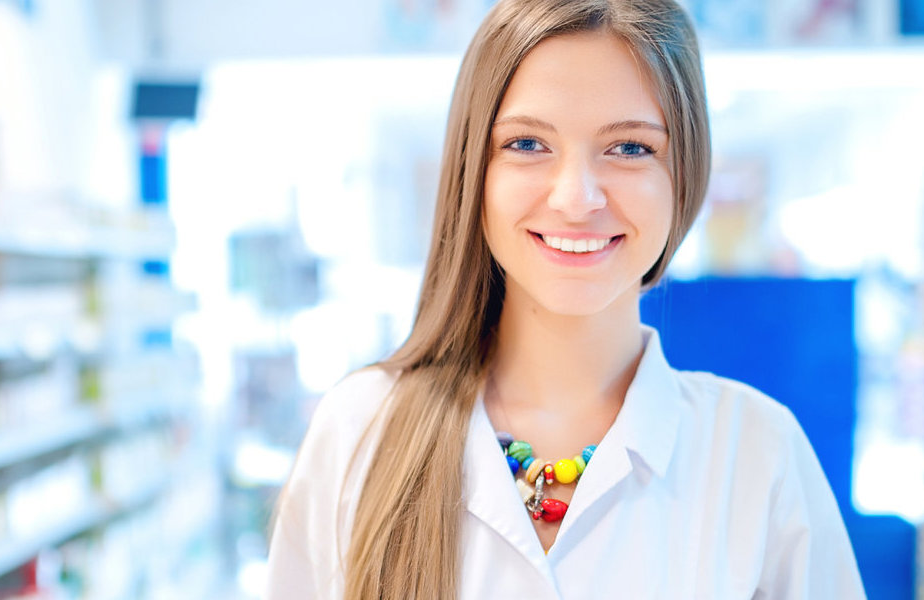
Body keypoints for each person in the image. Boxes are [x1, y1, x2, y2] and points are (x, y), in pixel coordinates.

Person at [266, 0, 864, 597]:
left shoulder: (758, 455)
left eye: (630, 148)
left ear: (685, 175)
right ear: (474, 170)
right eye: (528, 144)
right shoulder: (359, 431)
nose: (576, 199)